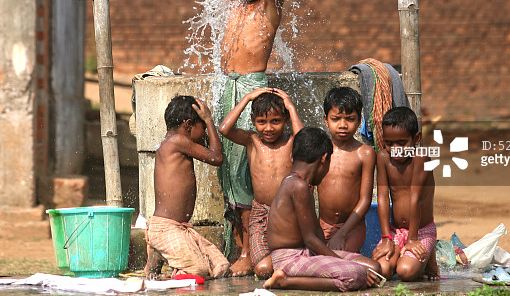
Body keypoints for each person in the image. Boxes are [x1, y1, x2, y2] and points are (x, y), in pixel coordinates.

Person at [203, 0, 284, 276]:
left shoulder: (270, 5)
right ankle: (239, 246)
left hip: (253, 89)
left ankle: (252, 251)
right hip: (227, 88)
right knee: (228, 172)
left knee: (249, 170)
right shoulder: (231, 3)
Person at [263, 127, 382, 291]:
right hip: (289, 258)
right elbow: (310, 239)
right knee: (356, 275)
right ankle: (285, 281)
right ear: (324, 159)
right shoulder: (298, 186)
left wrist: (334, 257)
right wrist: (343, 263)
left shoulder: (300, 183)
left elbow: (316, 235)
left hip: (306, 252)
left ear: (292, 156)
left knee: (373, 268)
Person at [217, 87, 304, 279]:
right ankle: (272, 261)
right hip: (260, 214)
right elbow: (224, 129)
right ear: (253, 121)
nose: (268, 128)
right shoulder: (252, 141)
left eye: (275, 121)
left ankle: (285, 260)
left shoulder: (291, 141)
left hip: (289, 213)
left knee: (289, 263)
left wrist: (290, 106)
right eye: (262, 122)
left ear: (286, 120)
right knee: (263, 270)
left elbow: (304, 140)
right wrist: (247, 98)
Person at [145, 96, 230, 280]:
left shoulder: (174, 141)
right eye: (203, 128)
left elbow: (209, 146)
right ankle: (164, 267)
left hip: (179, 229)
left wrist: (205, 123)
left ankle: (159, 254)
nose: (205, 133)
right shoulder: (178, 141)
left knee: (221, 267)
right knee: (198, 271)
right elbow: (216, 157)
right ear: (189, 125)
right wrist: (208, 119)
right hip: (165, 229)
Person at [373, 106, 439, 281]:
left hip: (420, 230)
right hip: (395, 230)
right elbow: (382, 197)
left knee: (406, 272)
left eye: (402, 143)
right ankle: (402, 253)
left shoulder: (421, 158)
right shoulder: (383, 158)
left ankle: (428, 257)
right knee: (382, 270)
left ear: (416, 139)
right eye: (389, 143)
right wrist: (386, 238)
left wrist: (412, 240)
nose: (395, 149)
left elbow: (415, 199)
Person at [317, 87, 376, 253]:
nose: (343, 125)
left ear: (359, 121)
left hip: (352, 227)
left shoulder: (365, 153)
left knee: (341, 261)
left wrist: (342, 233)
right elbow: (307, 190)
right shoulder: (319, 151)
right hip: (322, 225)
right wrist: (313, 228)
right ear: (326, 120)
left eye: (350, 119)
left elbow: (365, 201)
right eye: (336, 119)